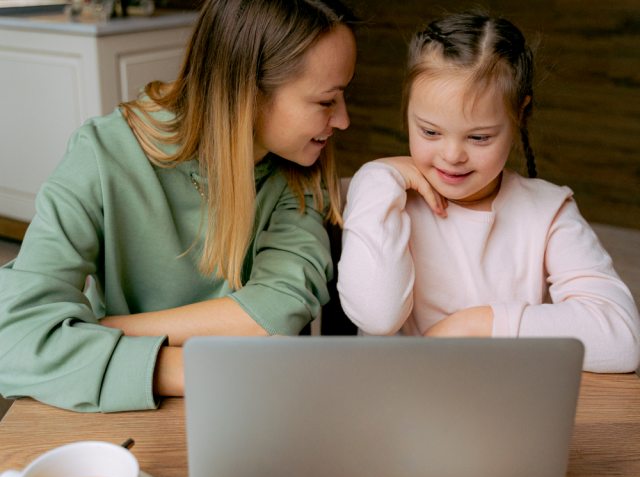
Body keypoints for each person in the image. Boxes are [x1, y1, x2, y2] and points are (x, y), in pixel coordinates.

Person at [0, 0, 358, 412]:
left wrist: (101, 333)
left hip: (245, 402)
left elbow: (278, 311)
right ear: (247, 92)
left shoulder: (302, 170)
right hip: (134, 407)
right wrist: (190, 370)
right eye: (326, 101)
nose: (344, 120)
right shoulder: (103, 154)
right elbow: (14, 339)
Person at [337, 11, 640, 373]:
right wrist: (375, 176)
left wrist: (478, 325)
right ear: (407, 111)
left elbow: (623, 340)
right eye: (430, 132)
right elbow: (377, 316)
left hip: (502, 404)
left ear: (519, 115)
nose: (452, 155)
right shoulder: (385, 196)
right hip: (393, 407)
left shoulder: (547, 210)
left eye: (479, 137)